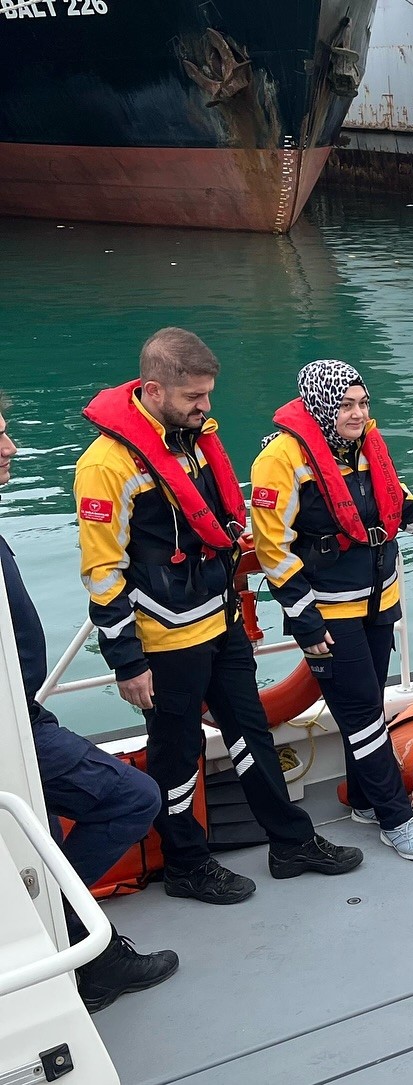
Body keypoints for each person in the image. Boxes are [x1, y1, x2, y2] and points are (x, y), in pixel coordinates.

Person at [73, 329, 362, 906]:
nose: (206, 408)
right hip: (165, 637)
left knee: (252, 733)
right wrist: (126, 661)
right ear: (154, 390)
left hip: (220, 619)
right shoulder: (105, 466)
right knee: (175, 754)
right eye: (194, 398)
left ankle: (292, 843)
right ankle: (186, 864)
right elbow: (101, 572)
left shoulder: (194, 440)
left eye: (207, 396)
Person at [0, 399, 178, 1012]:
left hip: (23, 718)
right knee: (132, 797)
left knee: (43, 837)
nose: (11, 449)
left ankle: (69, 947)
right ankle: (70, 939)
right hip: (10, 728)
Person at [250, 361, 413, 861]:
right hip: (328, 613)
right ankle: (396, 817)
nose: (358, 414)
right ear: (321, 404)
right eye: (346, 405)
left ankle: (365, 800)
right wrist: (304, 617)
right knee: (364, 714)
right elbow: (272, 547)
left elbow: (393, 498)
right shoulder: (280, 459)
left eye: (364, 404)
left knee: (366, 706)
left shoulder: (367, 445)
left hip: (380, 600)